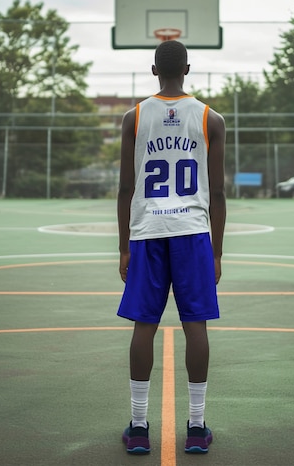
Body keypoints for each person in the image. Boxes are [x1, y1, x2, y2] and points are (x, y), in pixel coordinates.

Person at [117, 40, 226, 455]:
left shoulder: (135, 116)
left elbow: (127, 186)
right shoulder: (211, 119)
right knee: (195, 326)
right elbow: (216, 192)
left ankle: (140, 426)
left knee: (144, 326)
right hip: (193, 231)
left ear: (153, 70)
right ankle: (196, 428)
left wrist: (123, 245)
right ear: (188, 69)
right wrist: (216, 252)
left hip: (147, 231)